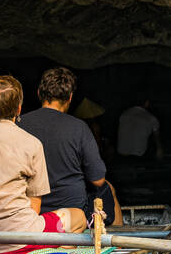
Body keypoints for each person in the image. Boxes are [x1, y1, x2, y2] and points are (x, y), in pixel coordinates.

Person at [0, 74, 87, 235]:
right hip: (19, 238)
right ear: (18, 108)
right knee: (78, 216)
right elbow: (34, 205)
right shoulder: (31, 143)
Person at [19, 67, 123, 226]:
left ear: (39, 93)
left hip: (29, 209)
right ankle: (119, 244)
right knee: (108, 187)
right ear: (70, 98)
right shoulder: (79, 127)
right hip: (73, 211)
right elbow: (98, 179)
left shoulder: (19, 124)